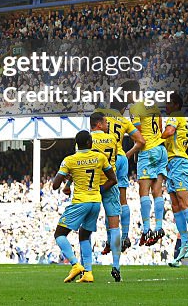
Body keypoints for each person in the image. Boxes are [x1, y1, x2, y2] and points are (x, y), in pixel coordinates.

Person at [50, 130, 116, 284]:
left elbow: (54, 185)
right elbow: (112, 179)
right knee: (84, 235)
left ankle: (75, 265)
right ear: (88, 142)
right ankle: (88, 273)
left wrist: (66, 177)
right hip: (95, 202)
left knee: (59, 234)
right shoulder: (100, 157)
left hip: (80, 201)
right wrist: (99, 190)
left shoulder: (70, 160)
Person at [96, 90, 145, 251]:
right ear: (123, 108)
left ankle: (110, 240)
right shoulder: (124, 121)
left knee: (108, 201)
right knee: (122, 200)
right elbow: (140, 141)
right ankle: (124, 237)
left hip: (106, 158)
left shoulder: (102, 117)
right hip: (121, 158)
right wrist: (128, 154)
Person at [162, 92, 188, 263]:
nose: (166, 106)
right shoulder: (176, 117)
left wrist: (153, 139)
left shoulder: (175, 117)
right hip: (171, 164)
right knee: (176, 205)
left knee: (184, 202)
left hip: (178, 162)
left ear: (177, 105)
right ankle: (184, 243)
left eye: (169, 103)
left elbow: (169, 132)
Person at [88, 112, 125, 282]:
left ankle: (86, 268)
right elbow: (114, 160)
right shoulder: (112, 139)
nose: (107, 124)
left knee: (86, 227)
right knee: (114, 225)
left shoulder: (86, 140)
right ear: (99, 124)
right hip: (110, 185)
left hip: (92, 186)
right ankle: (116, 266)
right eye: (105, 122)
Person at [130, 93, 167, 246]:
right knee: (157, 192)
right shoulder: (154, 107)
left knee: (144, 192)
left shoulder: (135, 108)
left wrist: (133, 151)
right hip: (161, 149)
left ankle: (146, 230)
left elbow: (138, 133)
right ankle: (159, 227)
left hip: (148, 151)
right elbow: (159, 127)